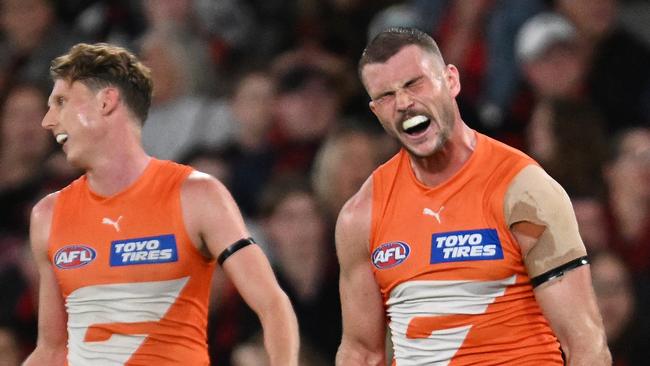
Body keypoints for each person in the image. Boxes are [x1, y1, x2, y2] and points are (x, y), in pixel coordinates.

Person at [335, 27, 610, 365]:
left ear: (451, 81)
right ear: (376, 112)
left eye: (414, 83)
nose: (404, 103)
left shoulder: (523, 190)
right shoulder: (361, 215)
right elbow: (361, 351)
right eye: (387, 96)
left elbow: (585, 342)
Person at [22, 42, 299, 366]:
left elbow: (272, 305)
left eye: (61, 102)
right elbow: (52, 351)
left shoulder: (197, 196)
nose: (48, 120)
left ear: (106, 102)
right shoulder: (48, 215)